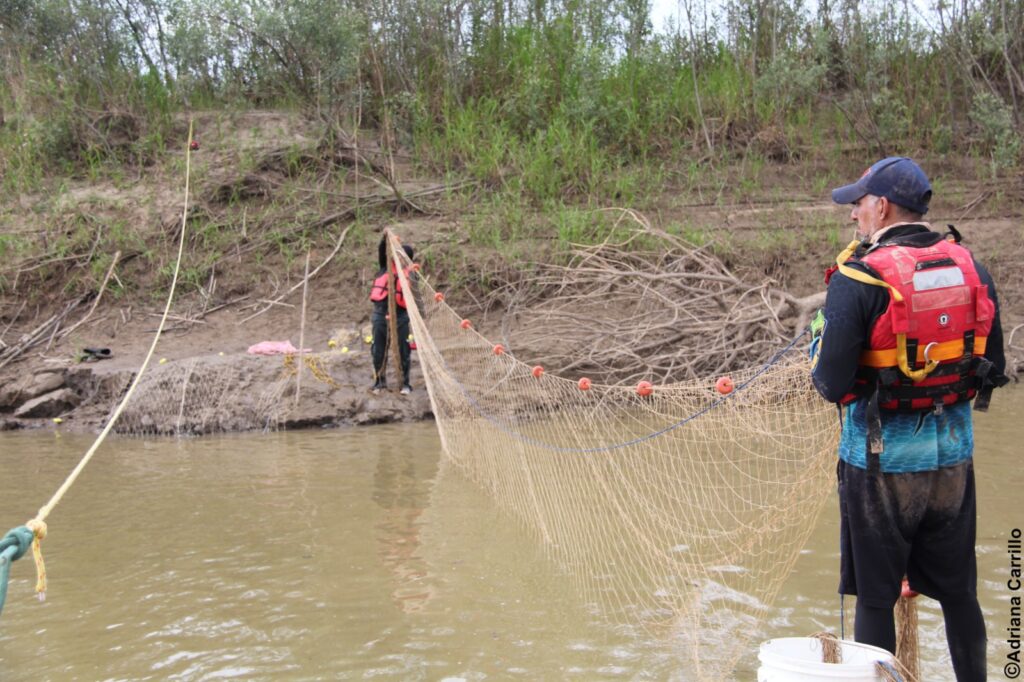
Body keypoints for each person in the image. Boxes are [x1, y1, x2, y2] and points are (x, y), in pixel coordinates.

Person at [811, 157, 1008, 681]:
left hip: (878, 469)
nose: (853, 215)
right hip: (952, 466)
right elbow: (995, 370)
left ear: (881, 206)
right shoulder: (971, 268)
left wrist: (818, 334)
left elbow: (830, 383)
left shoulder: (857, 277)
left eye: (858, 204)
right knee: (960, 594)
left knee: (876, 600)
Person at [370, 233, 415, 395]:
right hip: (380, 315)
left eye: (403, 256)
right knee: (378, 350)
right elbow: (382, 250)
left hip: (401, 317)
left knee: (404, 349)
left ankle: (405, 384)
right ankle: (379, 383)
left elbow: (417, 301)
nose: (398, 258)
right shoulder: (385, 267)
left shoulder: (411, 275)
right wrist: (385, 238)